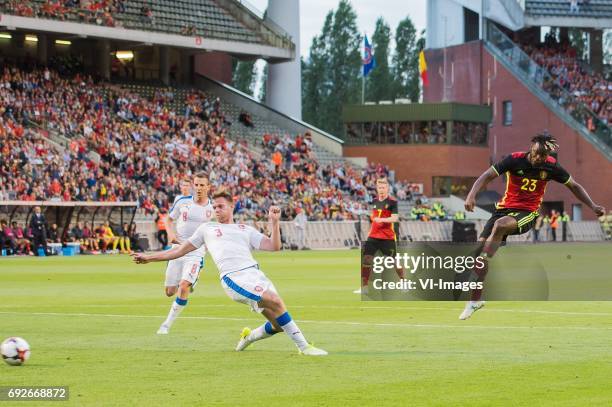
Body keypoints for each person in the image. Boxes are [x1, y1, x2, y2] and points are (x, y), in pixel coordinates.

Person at [132, 189, 327, 356]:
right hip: (234, 278)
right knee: (275, 301)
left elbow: (274, 246)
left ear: (231, 207)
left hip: (255, 275)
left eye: (220, 206)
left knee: (277, 324)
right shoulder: (206, 229)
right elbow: (178, 251)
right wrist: (149, 257)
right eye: (214, 207)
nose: (216, 210)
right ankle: (304, 346)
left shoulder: (245, 229)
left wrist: (274, 223)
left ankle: (248, 337)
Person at [461, 133, 605, 319]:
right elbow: (487, 176)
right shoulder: (514, 160)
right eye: (537, 153)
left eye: (543, 156)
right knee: (478, 252)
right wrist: (471, 195)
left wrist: (592, 205)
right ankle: (474, 301)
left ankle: (483, 262)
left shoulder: (551, 166)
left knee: (499, 227)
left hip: (527, 213)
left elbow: (574, 186)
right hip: (503, 209)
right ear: (531, 148)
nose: (539, 158)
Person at [156, 172, 214, 335]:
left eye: (202, 185)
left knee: (184, 286)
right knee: (170, 292)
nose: (199, 188)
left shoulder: (212, 208)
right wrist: (171, 234)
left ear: (208, 187)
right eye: (196, 184)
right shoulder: (182, 202)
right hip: (177, 251)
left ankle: (166, 325)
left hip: (196, 252)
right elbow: (168, 219)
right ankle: (192, 280)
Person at [354, 177, 405, 294]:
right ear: (377, 188)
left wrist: (381, 219)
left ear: (387, 188)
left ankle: (403, 283)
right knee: (366, 259)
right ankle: (365, 288)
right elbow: (374, 217)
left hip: (387, 237)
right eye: (379, 187)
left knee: (394, 261)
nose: (381, 189)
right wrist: (371, 225)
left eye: (383, 187)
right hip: (373, 236)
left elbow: (395, 218)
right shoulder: (375, 201)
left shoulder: (393, 202)